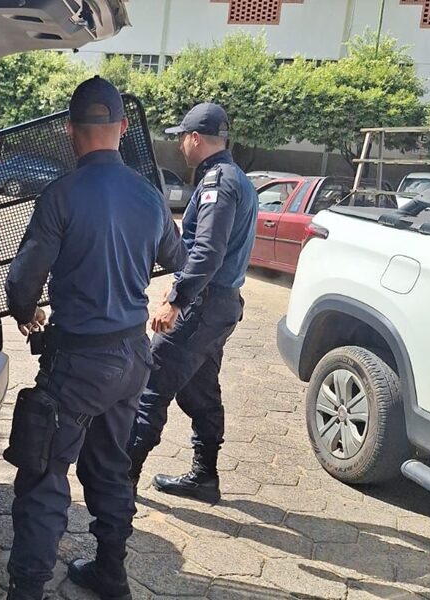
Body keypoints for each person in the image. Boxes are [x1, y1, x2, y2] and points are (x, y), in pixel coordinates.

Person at [3, 76, 186, 600]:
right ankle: (111, 572)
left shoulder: (60, 195)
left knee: (44, 476)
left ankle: (26, 591)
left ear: (69, 131)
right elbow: (176, 258)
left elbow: (21, 284)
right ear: (123, 129)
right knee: (109, 466)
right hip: (133, 357)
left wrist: (23, 311)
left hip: (79, 363)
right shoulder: (149, 196)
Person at [127, 102, 258, 504]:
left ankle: (119, 484)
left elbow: (207, 251)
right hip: (220, 305)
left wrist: (176, 300)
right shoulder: (237, 179)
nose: (180, 143)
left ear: (195, 139)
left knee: (151, 385)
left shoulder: (220, 182)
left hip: (202, 304)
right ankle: (204, 477)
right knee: (200, 390)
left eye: (182, 136)